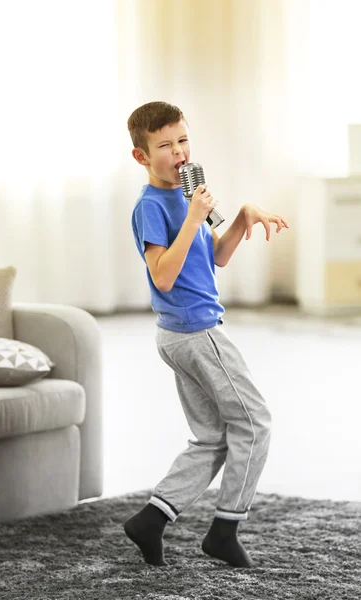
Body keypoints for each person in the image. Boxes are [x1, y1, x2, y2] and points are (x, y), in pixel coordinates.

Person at [124, 101, 289, 568]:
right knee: (255, 423)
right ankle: (225, 529)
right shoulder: (151, 207)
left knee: (212, 437)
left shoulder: (188, 193)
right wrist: (193, 217)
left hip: (181, 336)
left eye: (183, 141)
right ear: (141, 157)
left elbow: (215, 257)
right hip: (195, 332)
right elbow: (162, 275)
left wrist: (242, 216)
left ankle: (151, 519)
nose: (178, 153)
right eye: (164, 146)